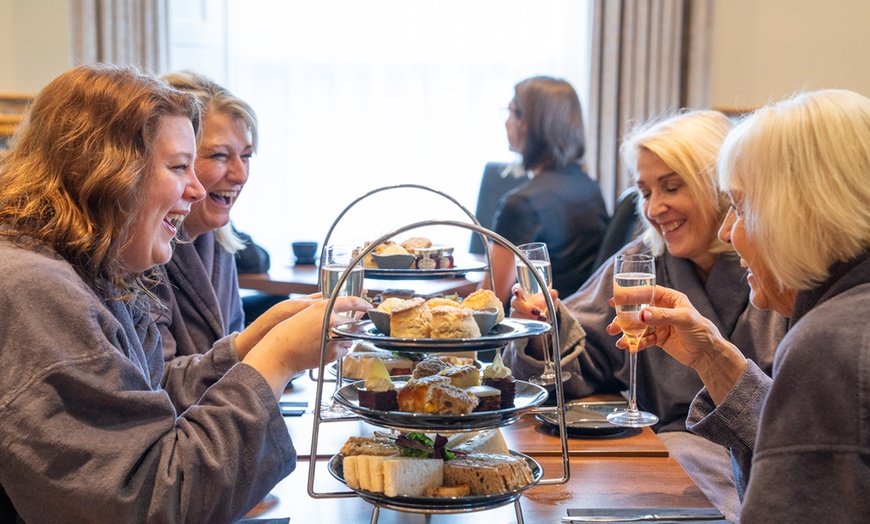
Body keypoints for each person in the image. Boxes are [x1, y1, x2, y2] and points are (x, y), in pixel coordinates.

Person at [0, 64, 369, 523]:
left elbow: (140, 396)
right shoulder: (34, 291)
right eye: (179, 167)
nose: (196, 188)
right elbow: (152, 499)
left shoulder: (83, 271)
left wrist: (242, 350)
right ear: (108, 172)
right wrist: (275, 362)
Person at [504, 110, 788, 522]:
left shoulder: (777, 275)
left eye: (671, 187)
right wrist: (541, 329)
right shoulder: (640, 263)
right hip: (666, 457)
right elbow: (587, 352)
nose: (655, 208)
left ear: (721, 187)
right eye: (645, 192)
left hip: (766, 466)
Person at [626, 90, 870, 522]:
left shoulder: (831, 343)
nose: (728, 231)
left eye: (738, 206)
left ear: (797, 211)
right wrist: (714, 359)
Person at [486, 76, 608, 304]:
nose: (506, 122)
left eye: (510, 111)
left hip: (537, 327)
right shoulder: (589, 187)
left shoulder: (521, 205)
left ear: (526, 124)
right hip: (577, 320)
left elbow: (488, 301)